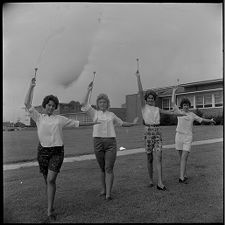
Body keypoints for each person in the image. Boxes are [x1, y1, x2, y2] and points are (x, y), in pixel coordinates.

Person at [24, 77, 100, 222]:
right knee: (47, 181)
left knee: (51, 179)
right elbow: (27, 103)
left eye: (53, 105)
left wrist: (95, 122)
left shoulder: (60, 119)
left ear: (56, 107)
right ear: (45, 106)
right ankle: (51, 206)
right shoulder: (38, 117)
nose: (51, 107)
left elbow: (78, 123)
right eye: (49, 105)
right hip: (43, 152)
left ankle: (48, 211)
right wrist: (31, 86)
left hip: (57, 152)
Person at [81, 81, 139, 201]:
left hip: (110, 143)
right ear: (98, 103)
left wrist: (133, 123)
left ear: (107, 103)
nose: (102, 104)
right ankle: (103, 190)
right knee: (102, 168)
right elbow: (84, 104)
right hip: (97, 142)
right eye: (100, 102)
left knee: (108, 168)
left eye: (104, 102)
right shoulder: (94, 113)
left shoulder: (112, 115)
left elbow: (122, 123)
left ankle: (108, 193)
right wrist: (88, 89)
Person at [135, 71, 186, 191]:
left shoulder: (157, 109)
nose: (151, 100)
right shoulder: (144, 107)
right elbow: (141, 91)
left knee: (159, 156)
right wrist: (138, 77)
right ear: (146, 99)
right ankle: (150, 179)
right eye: (149, 98)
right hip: (148, 133)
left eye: (152, 98)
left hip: (157, 132)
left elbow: (171, 112)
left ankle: (160, 182)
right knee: (149, 158)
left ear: (154, 99)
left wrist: (181, 113)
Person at [171, 86, 216, 183]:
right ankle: (184, 174)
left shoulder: (192, 115)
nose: (186, 106)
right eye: (184, 105)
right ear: (182, 106)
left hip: (188, 137)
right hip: (178, 137)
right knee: (181, 158)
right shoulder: (179, 112)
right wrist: (174, 91)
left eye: (187, 105)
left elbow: (201, 119)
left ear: (189, 106)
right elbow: (172, 103)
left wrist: (210, 121)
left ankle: (181, 178)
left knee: (184, 157)